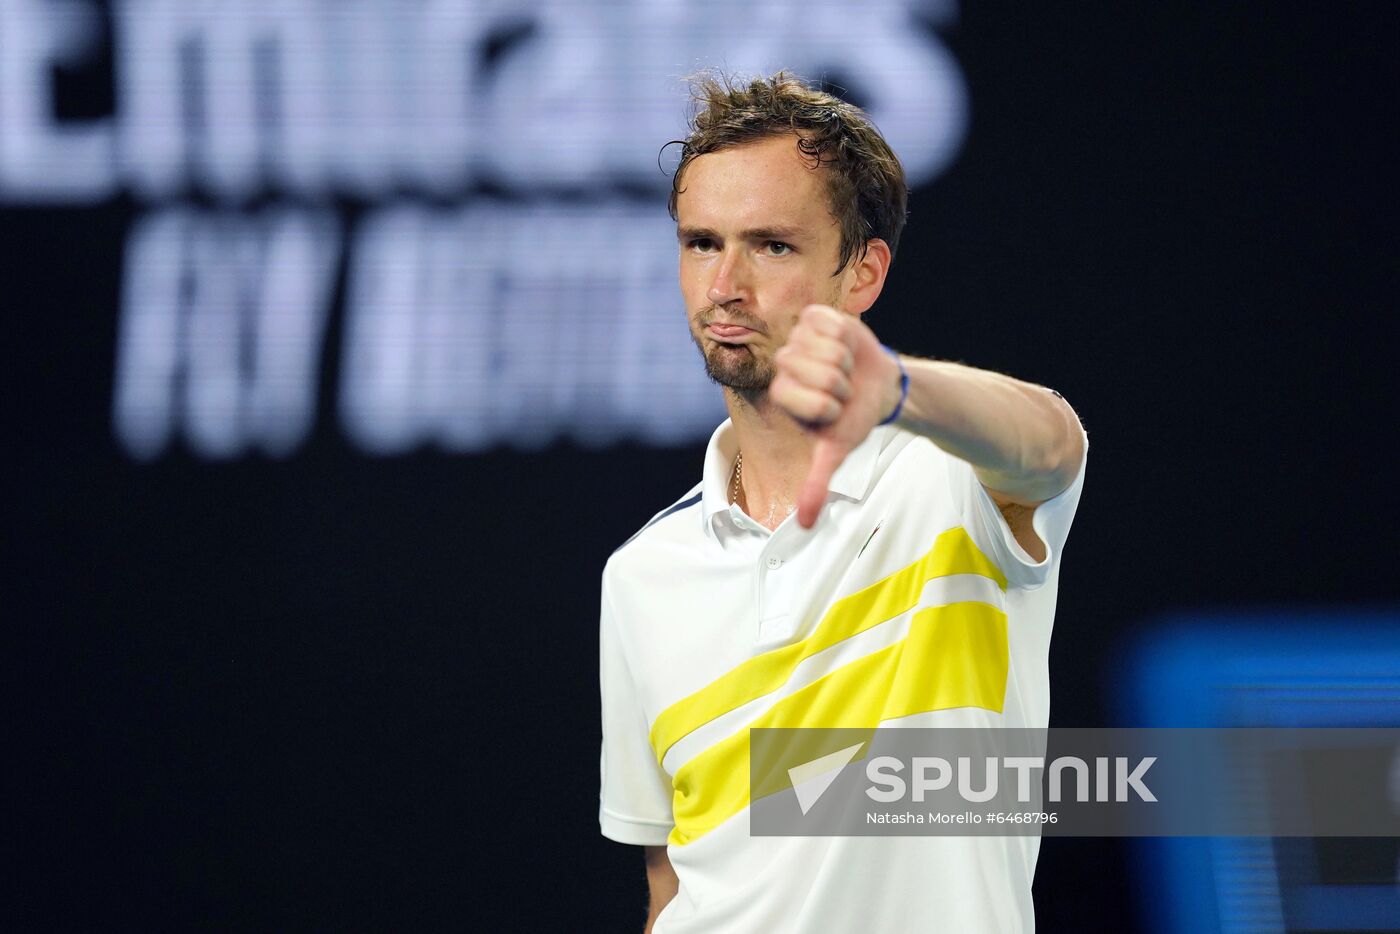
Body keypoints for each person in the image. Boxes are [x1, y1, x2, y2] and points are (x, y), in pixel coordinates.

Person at [598, 72, 1088, 933]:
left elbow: (1051, 445)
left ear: (861, 274)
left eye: (773, 246)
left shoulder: (951, 479)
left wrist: (899, 386)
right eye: (703, 242)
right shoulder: (640, 576)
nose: (725, 286)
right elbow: (671, 881)